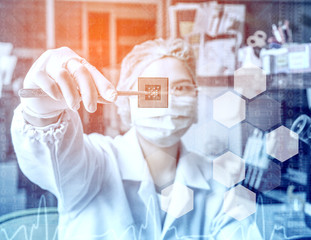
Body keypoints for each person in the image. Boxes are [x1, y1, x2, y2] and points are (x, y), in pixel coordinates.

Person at [11, 39, 262, 240]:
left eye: (182, 88)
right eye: (154, 89)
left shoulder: (221, 182)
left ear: (196, 100)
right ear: (126, 102)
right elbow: (51, 156)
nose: (171, 98)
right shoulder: (94, 164)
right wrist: (40, 114)